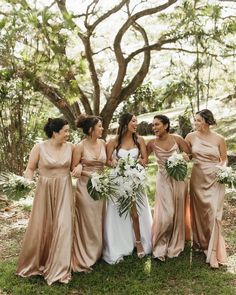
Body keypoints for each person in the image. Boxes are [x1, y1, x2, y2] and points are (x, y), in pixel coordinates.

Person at [16, 118, 74, 285]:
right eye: (65, 131)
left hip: (64, 189)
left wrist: (78, 168)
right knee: (43, 226)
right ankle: (38, 261)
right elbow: (30, 168)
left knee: (63, 226)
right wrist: (26, 181)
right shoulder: (39, 147)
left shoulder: (70, 148)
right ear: (55, 132)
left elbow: (77, 166)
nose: (68, 134)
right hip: (44, 190)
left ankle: (59, 269)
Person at [103, 113, 152, 264]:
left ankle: (139, 242)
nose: (136, 124)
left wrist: (138, 166)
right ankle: (121, 243)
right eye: (133, 121)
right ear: (125, 123)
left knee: (136, 212)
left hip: (135, 178)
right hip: (119, 181)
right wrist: (116, 165)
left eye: (136, 121)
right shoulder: (114, 141)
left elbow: (145, 159)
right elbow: (107, 160)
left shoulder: (140, 140)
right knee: (121, 212)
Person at [185, 109, 227, 268]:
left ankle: (214, 251)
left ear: (207, 121)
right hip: (197, 177)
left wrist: (223, 171)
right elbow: (187, 155)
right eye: (195, 120)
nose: (195, 123)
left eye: (198, 121)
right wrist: (184, 157)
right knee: (200, 212)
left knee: (214, 213)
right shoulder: (190, 137)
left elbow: (224, 159)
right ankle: (201, 244)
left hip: (215, 178)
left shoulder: (219, 139)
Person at [147, 114, 190, 261]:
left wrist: (185, 156)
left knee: (177, 211)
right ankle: (159, 246)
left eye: (157, 124)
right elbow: (142, 160)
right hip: (163, 178)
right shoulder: (151, 143)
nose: (154, 128)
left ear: (165, 125)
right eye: (153, 125)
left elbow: (189, 153)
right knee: (167, 214)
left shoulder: (176, 139)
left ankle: (175, 242)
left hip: (178, 178)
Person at [71, 114, 106, 272]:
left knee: (99, 219)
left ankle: (98, 252)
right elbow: (74, 168)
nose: (102, 129)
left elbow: (105, 163)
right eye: (99, 126)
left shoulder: (103, 143)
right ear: (91, 129)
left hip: (102, 187)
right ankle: (86, 255)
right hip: (85, 188)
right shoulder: (80, 146)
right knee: (88, 221)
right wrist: (84, 171)